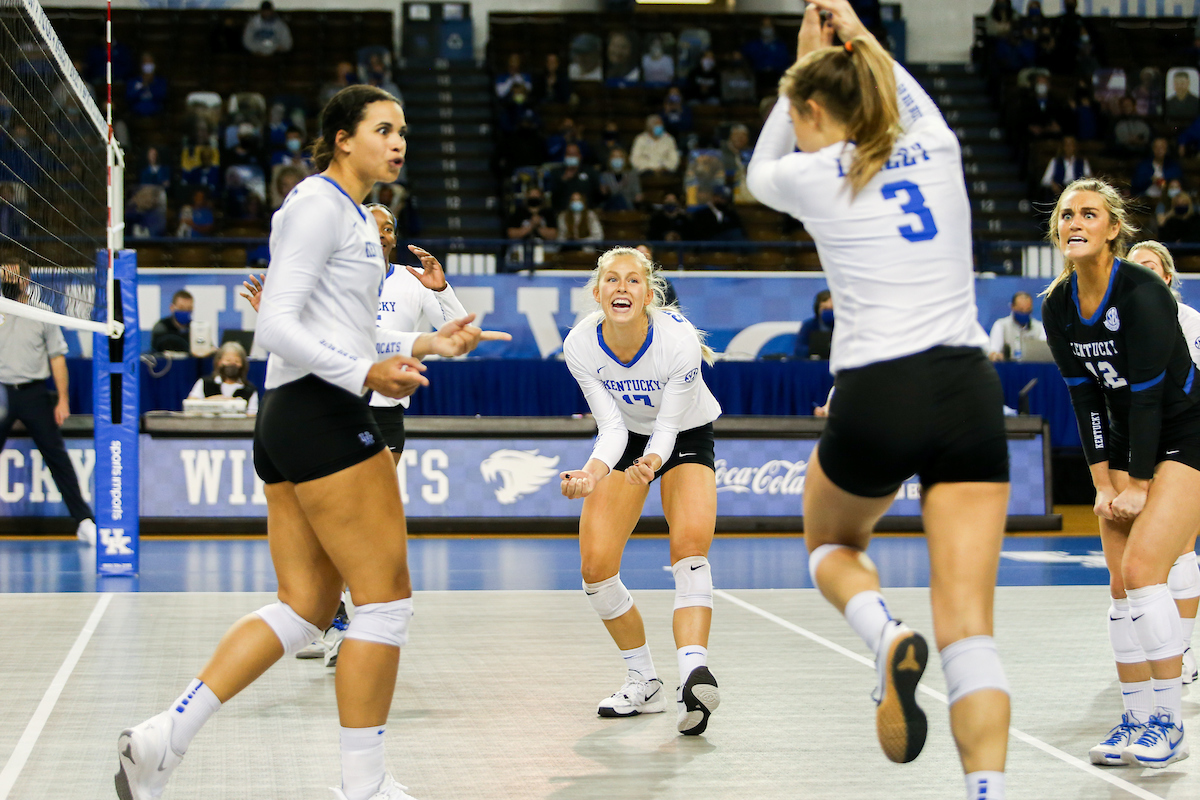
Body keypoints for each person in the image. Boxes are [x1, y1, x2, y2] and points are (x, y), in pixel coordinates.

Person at [114, 84, 507, 800]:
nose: (399, 142)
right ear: (342, 138)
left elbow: (343, 329)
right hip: (319, 413)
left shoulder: (355, 217)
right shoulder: (316, 205)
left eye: (404, 131)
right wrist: (366, 372)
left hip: (298, 415)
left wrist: (428, 342)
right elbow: (275, 327)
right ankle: (364, 786)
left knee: (303, 608)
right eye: (384, 129)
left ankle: (161, 740)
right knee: (384, 604)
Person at [747, 3, 1013, 797]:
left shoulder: (810, 176)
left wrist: (793, 74)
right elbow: (903, 97)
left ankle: (885, 632)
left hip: (877, 390)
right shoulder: (937, 144)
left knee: (830, 545)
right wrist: (860, 35)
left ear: (814, 112)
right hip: (968, 388)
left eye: (801, 112)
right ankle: (987, 790)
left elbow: (761, 169)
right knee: (971, 630)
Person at [1042, 178, 1197, 770]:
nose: (1075, 222)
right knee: (1119, 585)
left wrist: (1136, 484)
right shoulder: (1058, 304)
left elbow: (1154, 396)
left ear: (1113, 229)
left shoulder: (1141, 293)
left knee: (1143, 569)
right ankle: (1135, 717)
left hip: (1186, 432)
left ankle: (1169, 722)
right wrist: (1105, 484)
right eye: (1065, 215)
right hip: (1130, 439)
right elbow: (1085, 401)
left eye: (1089, 213)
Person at [560, 246, 722, 735]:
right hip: (627, 438)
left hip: (684, 433)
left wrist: (653, 461)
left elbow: (669, 427)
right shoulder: (580, 344)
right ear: (597, 293)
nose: (622, 287)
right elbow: (610, 428)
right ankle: (644, 679)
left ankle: (694, 673)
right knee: (595, 569)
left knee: (690, 546)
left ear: (647, 294)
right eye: (612, 279)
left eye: (633, 280)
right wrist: (591, 473)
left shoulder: (678, 343)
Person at [1126, 240, 1200, 686]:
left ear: (1168, 278)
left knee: (1182, 547)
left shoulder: (1189, 322)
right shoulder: (1120, 327)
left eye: (1151, 268)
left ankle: (1185, 649)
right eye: (1135, 270)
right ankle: (1146, 654)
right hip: (1138, 445)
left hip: (1183, 441)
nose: (1144, 276)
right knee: (1141, 562)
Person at [0, 258, 96, 546]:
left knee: (57, 457)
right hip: (1, 392)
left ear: (26, 281)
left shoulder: (43, 313)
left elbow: (57, 357)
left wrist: (63, 399)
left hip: (33, 392)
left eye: (10, 277)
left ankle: (83, 521)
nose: (5, 281)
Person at [188, 341, 258, 414]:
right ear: (219, 362)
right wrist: (212, 401)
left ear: (242, 364)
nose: (232, 364)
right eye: (228, 360)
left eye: (236, 361)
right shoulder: (205, 382)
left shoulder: (249, 390)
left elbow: (252, 415)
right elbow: (190, 405)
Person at [987, 291, 1047, 362]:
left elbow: (1045, 353)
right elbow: (993, 351)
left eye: (1027, 310)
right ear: (1013, 307)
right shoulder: (1001, 326)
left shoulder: (1039, 328)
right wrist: (997, 356)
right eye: (1021, 310)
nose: (1024, 313)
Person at [1132, 137, 1183, 202]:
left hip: (1168, 198)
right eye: (1157, 147)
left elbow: (1177, 177)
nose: (1159, 150)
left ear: (1166, 149)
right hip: (1147, 198)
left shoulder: (1172, 164)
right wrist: (1151, 179)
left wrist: (1165, 182)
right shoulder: (1144, 165)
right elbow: (1137, 183)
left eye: (1162, 147)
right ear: (1152, 149)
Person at [1039, 135, 1090, 199]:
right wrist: (1053, 184)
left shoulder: (1082, 161)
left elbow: (1088, 177)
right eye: (1066, 145)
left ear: (1075, 146)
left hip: (1077, 191)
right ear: (1063, 147)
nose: (1069, 147)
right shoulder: (1055, 161)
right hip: (1059, 191)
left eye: (1071, 144)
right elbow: (1045, 180)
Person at [794, 289, 834, 359]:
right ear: (817, 309)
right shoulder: (808, 325)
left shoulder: (844, 326)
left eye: (831, 309)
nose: (828, 312)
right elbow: (799, 350)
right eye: (825, 308)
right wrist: (815, 350)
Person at [126, 52, 167, 117]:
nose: (148, 66)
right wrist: (143, 85)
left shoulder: (160, 81)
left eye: (150, 63)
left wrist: (151, 83)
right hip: (137, 112)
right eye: (145, 63)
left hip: (155, 112)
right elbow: (129, 97)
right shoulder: (133, 81)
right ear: (141, 65)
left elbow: (162, 96)